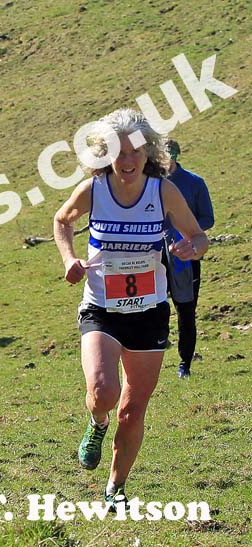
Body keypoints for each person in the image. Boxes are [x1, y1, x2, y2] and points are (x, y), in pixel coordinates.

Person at [53, 108, 209, 511]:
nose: (126, 161)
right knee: (104, 393)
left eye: (135, 152)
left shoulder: (164, 191)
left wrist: (192, 247)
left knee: (132, 408)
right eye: (118, 152)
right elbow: (62, 220)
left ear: (148, 153)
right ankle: (95, 422)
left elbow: (198, 235)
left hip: (149, 310)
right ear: (104, 154)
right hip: (102, 307)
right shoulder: (94, 189)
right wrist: (69, 257)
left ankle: (115, 488)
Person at [162, 140, 214, 379]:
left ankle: (185, 363)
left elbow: (207, 218)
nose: (166, 158)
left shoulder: (194, 183)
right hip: (156, 256)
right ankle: (155, 348)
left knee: (186, 310)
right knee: (153, 305)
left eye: (170, 153)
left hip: (187, 256)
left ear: (176, 155)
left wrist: (189, 236)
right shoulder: (150, 183)